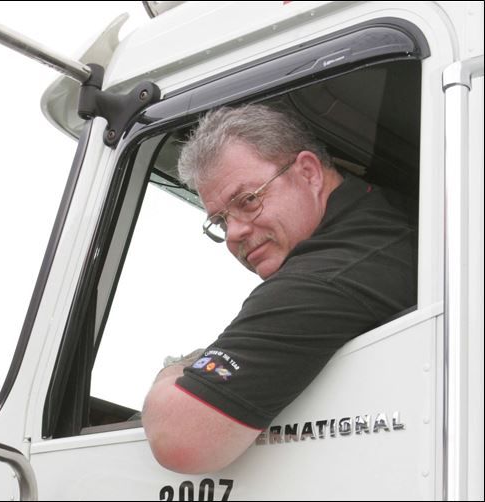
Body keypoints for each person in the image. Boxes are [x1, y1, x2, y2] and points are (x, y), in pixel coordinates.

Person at [141, 104, 417, 474]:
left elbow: (180, 437)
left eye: (248, 201)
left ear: (308, 172)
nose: (234, 233)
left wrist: (175, 368)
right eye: (220, 222)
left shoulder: (325, 276)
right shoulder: (386, 219)